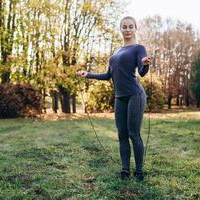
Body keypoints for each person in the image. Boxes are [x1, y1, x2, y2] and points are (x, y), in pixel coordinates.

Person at [76, 16, 151, 181]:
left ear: (135, 28)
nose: (127, 29)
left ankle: (139, 171)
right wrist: (87, 74)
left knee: (133, 133)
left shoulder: (139, 48)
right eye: (124, 27)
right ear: (121, 29)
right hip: (120, 97)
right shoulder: (116, 53)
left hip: (135, 95)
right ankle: (125, 170)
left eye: (130, 26)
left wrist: (145, 64)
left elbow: (142, 72)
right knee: (122, 134)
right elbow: (107, 75)